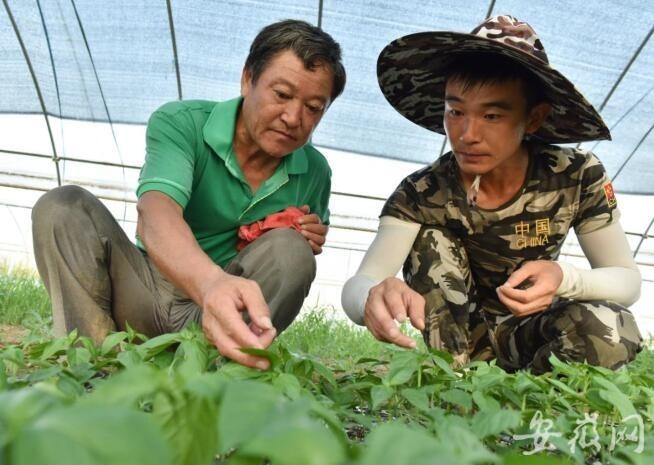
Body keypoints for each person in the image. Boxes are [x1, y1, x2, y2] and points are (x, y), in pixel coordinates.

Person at [32, 19, 346, 370]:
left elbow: (291, 258)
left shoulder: (315, 172)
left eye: (313, 107)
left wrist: (303, 237)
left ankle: (214, 380)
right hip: (143, 291)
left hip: (216, 318)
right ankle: (93, 367)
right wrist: (211, 284)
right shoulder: (183, 123)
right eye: (282, 94)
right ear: (248, 79)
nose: (293, 117)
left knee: (293, 251)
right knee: (62, 207)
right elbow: (156, 211)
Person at [342, 15, 642, 373]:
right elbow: (361, 282)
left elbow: (626, 280)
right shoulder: (422, 193)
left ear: (533, 118)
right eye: (456, 112)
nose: (468, 134)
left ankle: (530, 401)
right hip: (458, 338)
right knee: (430, 237)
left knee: (613, 327)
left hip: (531, 334)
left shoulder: (576, 176)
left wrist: (564, 278)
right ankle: (452, 381)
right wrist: (371, 297)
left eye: (493, 116)